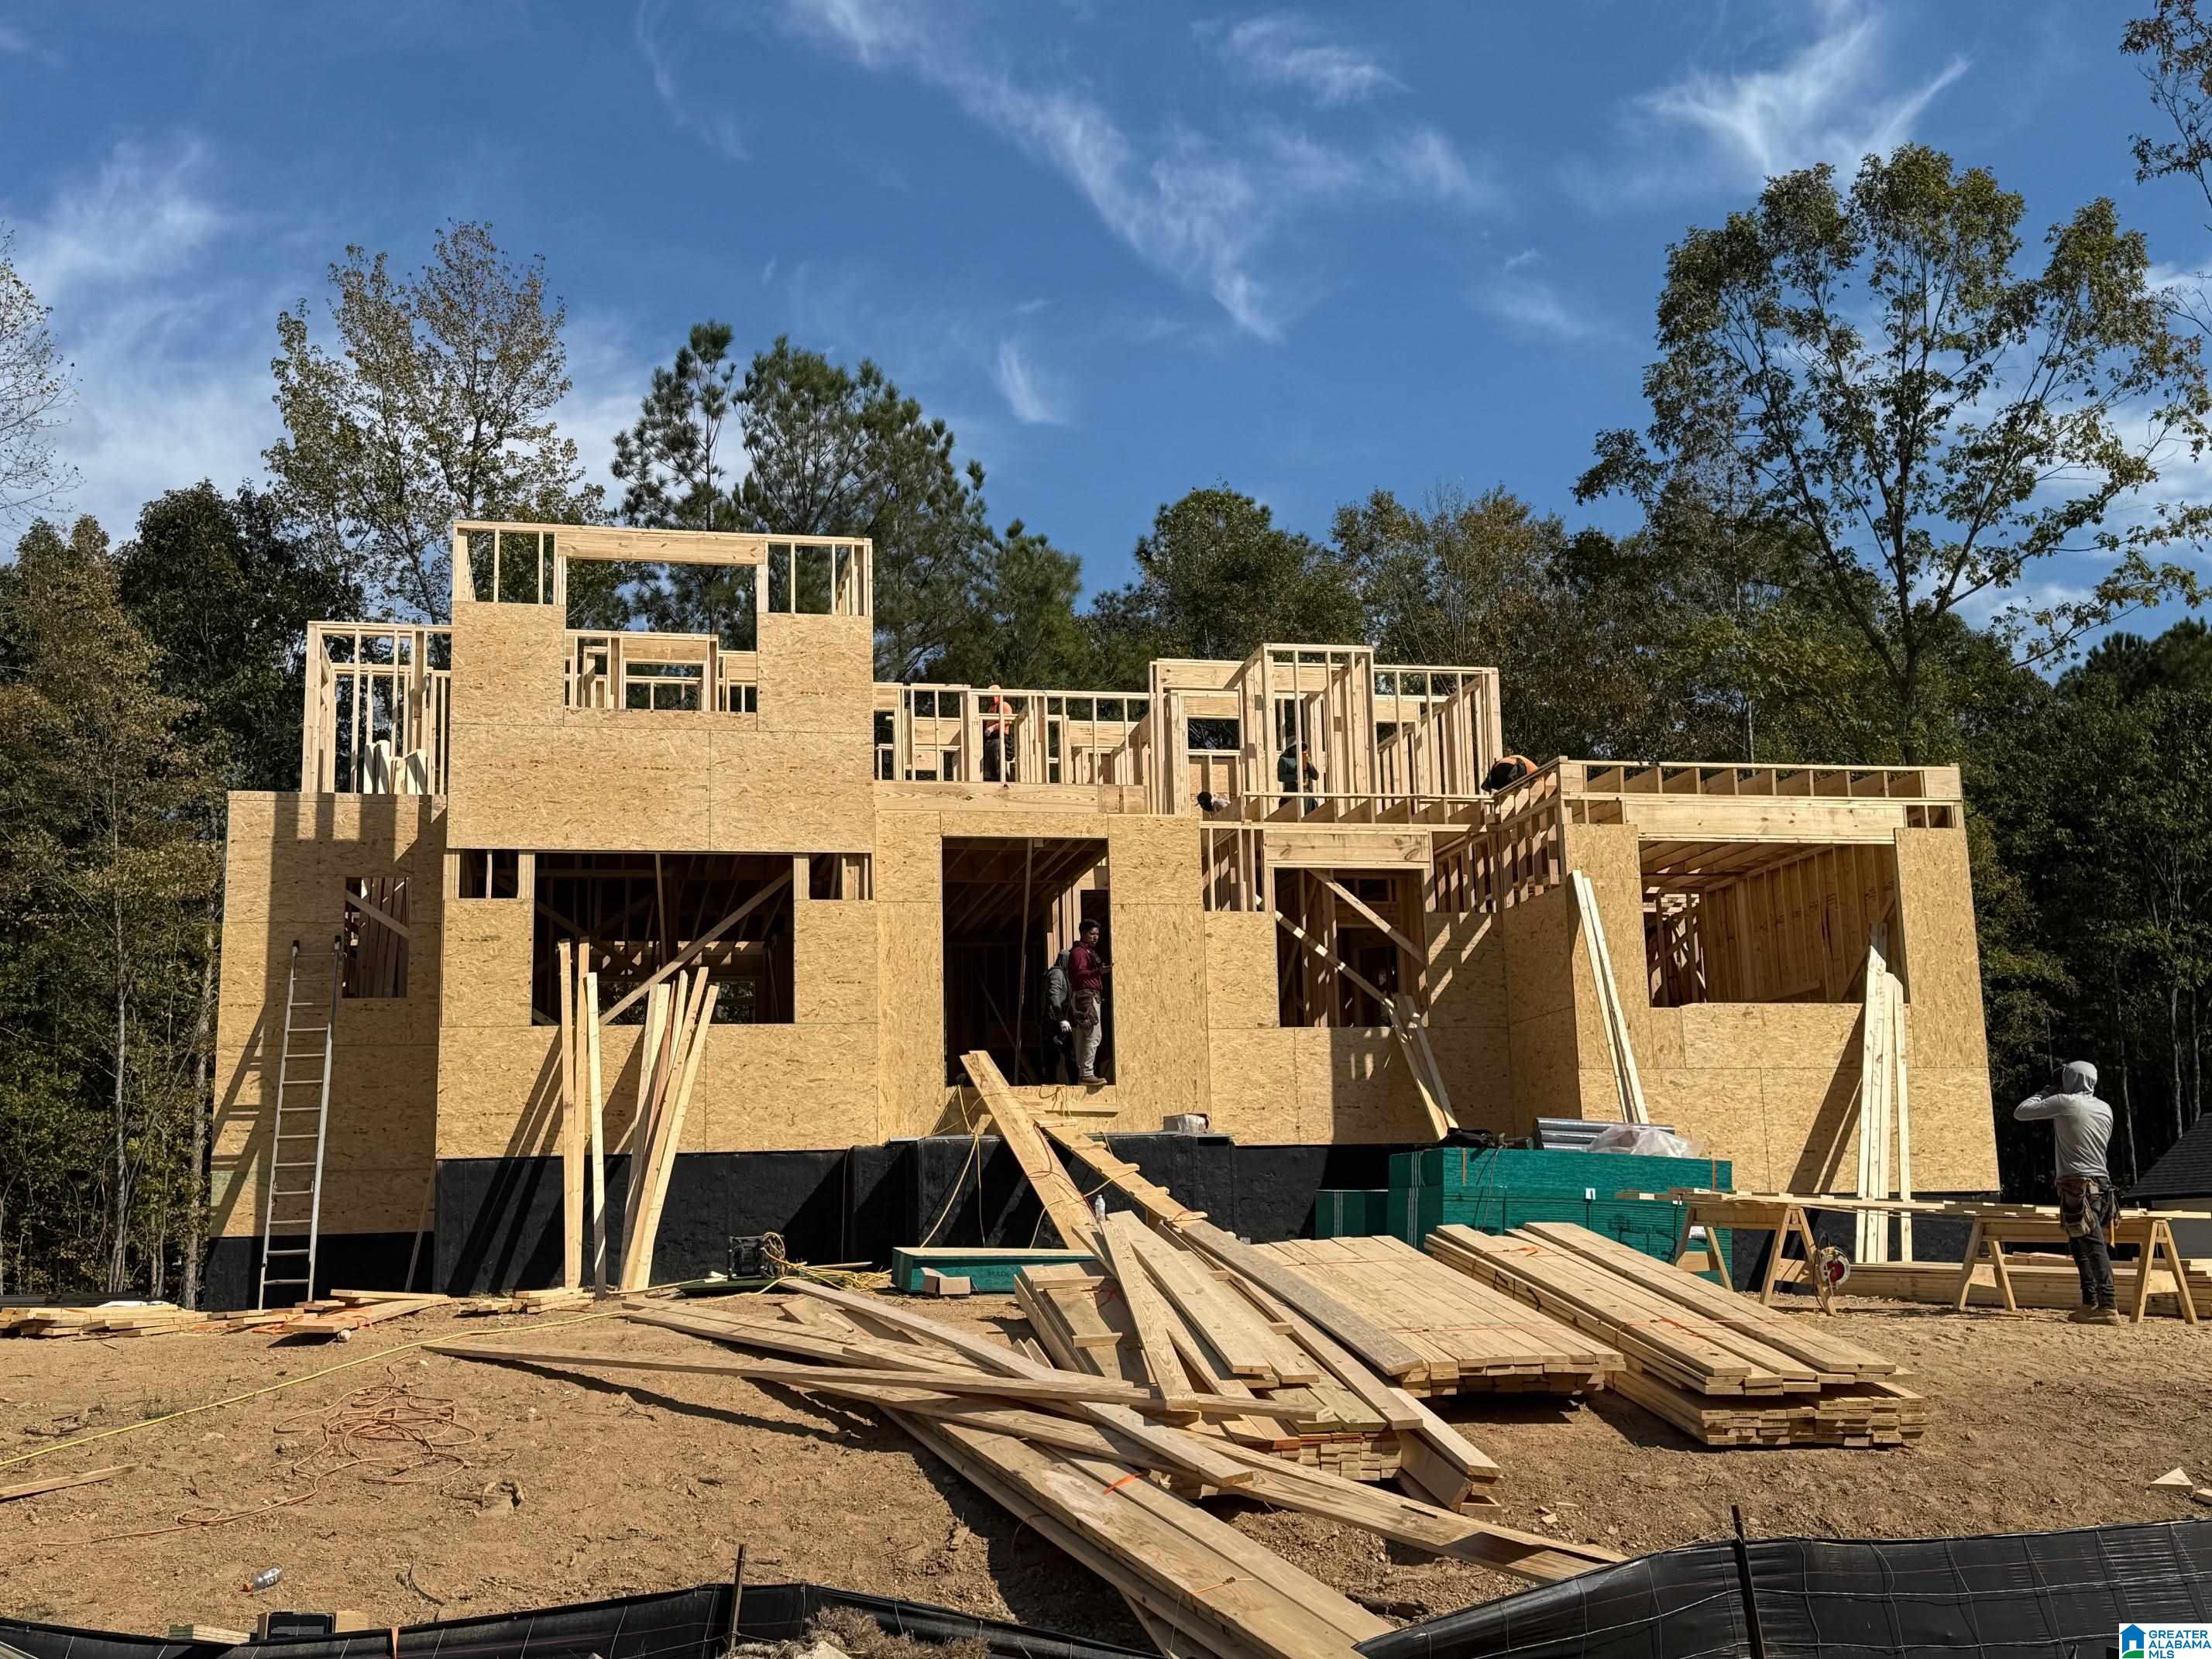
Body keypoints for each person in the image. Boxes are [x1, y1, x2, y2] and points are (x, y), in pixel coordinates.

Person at [2014, 1060, 2120, 1324]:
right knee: (2079, 1244)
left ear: (2071, 1079)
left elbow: (2021, 1112)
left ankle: (2108, 1306)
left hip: (2078, 1188)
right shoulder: (2105, 1108)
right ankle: (2090, 1303)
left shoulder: (2066, 1102)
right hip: (2101, 1186)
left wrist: (2046, 1092)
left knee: (2093, 1246)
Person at [1068, 919, 1109, 1084]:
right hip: (1086, 997)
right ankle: (1087, 1073)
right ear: (1083, 933)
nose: (1095, 937)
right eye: (1092, 934)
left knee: (1083, 1034)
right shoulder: (1079, 952)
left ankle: (1083, 1074)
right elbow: (1079, 974)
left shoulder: (1085, 951)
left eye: (1097, 934)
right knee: (1093, 1034)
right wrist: (1098, 972)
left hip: (1086, 996)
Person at [1043, 941, 1077, 1084]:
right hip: (1054, 1021)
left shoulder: (1063, 974)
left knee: (1068, 1053)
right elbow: (1053, 997)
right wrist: (1061, 1019)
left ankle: (1073, 1083)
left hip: (1058, 1020)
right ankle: (1051, 1082)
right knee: (1054, 1054)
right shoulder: (1057, 973)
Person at [1276, 739, 1319, 815]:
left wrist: (1310, 764)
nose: (1299, 749)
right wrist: (1296, 777)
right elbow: (1281, 777)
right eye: (1296, 747)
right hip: (1291, 791)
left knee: (1310, 812)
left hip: (1307, 792)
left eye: (1301, 747)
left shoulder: (1305, 758)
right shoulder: (1284, 759)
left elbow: (1316, 776)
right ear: (1291, 748)